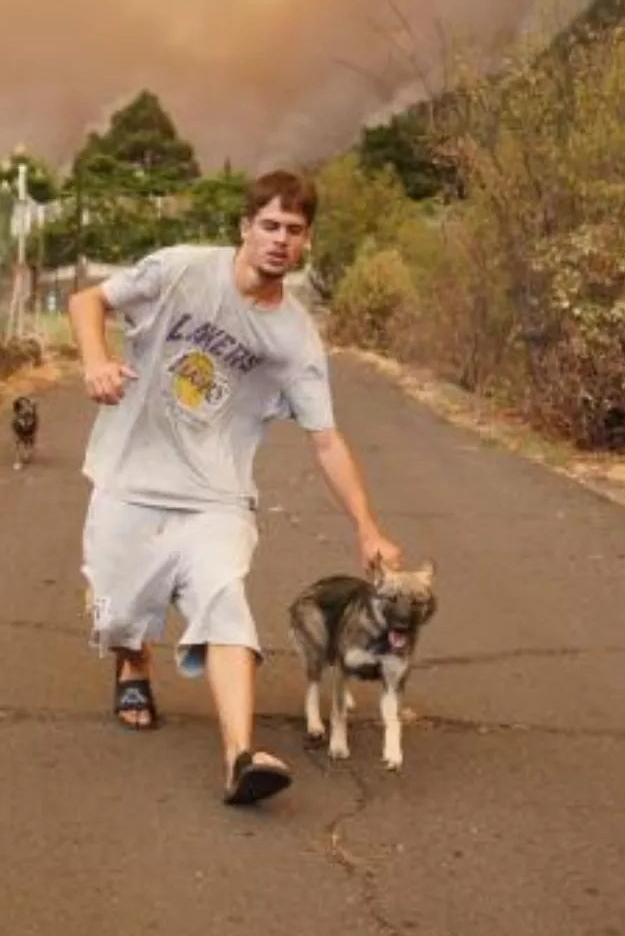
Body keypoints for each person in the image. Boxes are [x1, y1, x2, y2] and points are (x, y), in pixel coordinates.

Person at [65, 168, 403, 806]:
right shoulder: (181, 270)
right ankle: (133, 661)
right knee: (116, 613)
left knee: (225, 601)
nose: (279, 239)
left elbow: (326, 440)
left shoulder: (295, 339)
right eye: (269, 225)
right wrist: (95, 360)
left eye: (293, 230)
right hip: (128, 476)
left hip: (215, 496)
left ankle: (240, 756)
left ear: (306, 242)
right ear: (245, 228)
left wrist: (367, 525)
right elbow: (87, 301)